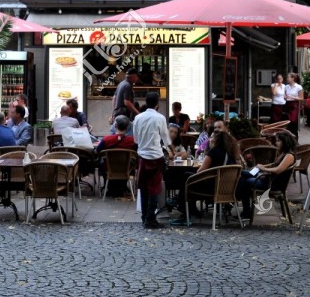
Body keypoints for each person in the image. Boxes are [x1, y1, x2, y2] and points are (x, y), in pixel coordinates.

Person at [175, 126, 242, 218]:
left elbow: (200, 171)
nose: (209, 140)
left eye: (211, 137)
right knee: (190, 177)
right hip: (227, 188)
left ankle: (183, 206)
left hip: (213, 188)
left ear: (216, 140)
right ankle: (189, 207)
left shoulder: (213, 152)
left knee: (187, 176)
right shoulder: (231, 153)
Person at [132, 92, 171, 229]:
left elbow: (136, 139)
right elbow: (165, 138)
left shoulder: (138, 117)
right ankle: (150, 218)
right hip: (155, 156)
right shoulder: (160, 118)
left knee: (143, 188)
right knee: (154, 188)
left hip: (142, 156)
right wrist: (170, 149)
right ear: (157, 104)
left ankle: (144, 217)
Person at [238, 130, 297, 219]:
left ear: (285, 142)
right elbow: (274, 165)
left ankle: (241, 206)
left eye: (278, 141)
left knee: (244, 181)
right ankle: (243, 207)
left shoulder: (289, 156)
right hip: (267, 179)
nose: (276, 143)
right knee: (242, 174)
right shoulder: (284, 154)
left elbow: (278, 170)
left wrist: (264, 169)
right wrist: (262, 166)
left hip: (271, 184)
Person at [96, 115, 136, 197]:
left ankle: (109, 187)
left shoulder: (106, 139)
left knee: (101, 162)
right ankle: (123, 187)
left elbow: (97, 151)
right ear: (128, 127)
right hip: (127, 169)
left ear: (115, 126)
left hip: (109, 168)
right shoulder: (133, 141)